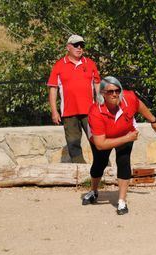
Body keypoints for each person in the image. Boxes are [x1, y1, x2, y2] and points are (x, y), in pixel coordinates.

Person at [83, 76, 156, 215]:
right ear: (102, 93)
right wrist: (126, 138)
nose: (114, 94)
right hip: (104, 138)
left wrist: (153, 120)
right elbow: (101, 144)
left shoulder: (128, 98)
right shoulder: (96, 111)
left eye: (117, 90)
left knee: (124, 162)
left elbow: (139, 105)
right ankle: (94, 191)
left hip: (126, 131)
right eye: (110, 91)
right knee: (99, 164)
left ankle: (121, 201)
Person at [47, 34, 101, 163]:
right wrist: (54, 111)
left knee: (98, 141)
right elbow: (53, 89)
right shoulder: (59, 65)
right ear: (68, 47)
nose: (79, 48)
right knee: (73, 144)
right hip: (68, 112)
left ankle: (103, 170)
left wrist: (100, 103)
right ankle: (81, 173)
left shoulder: (90, 63)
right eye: (76, 45)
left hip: (90, 111)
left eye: (82, 45)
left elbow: (97, 83)